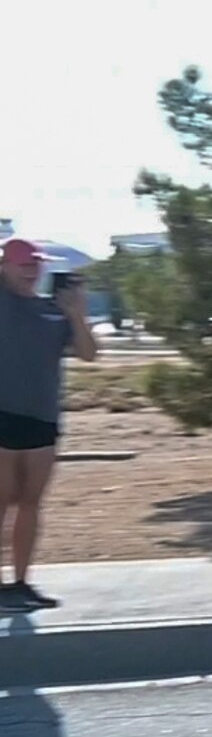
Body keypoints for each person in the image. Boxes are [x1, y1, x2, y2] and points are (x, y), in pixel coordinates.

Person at [0, 240, 98, 612]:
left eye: (35, 263)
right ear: (4, 266)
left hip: (43, 418)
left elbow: (89, 355)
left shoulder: (52, 310)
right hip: (2, 415)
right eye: (22, 263)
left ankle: (21, 584)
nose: (30, 269)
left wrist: (77, 314)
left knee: (30, 503)